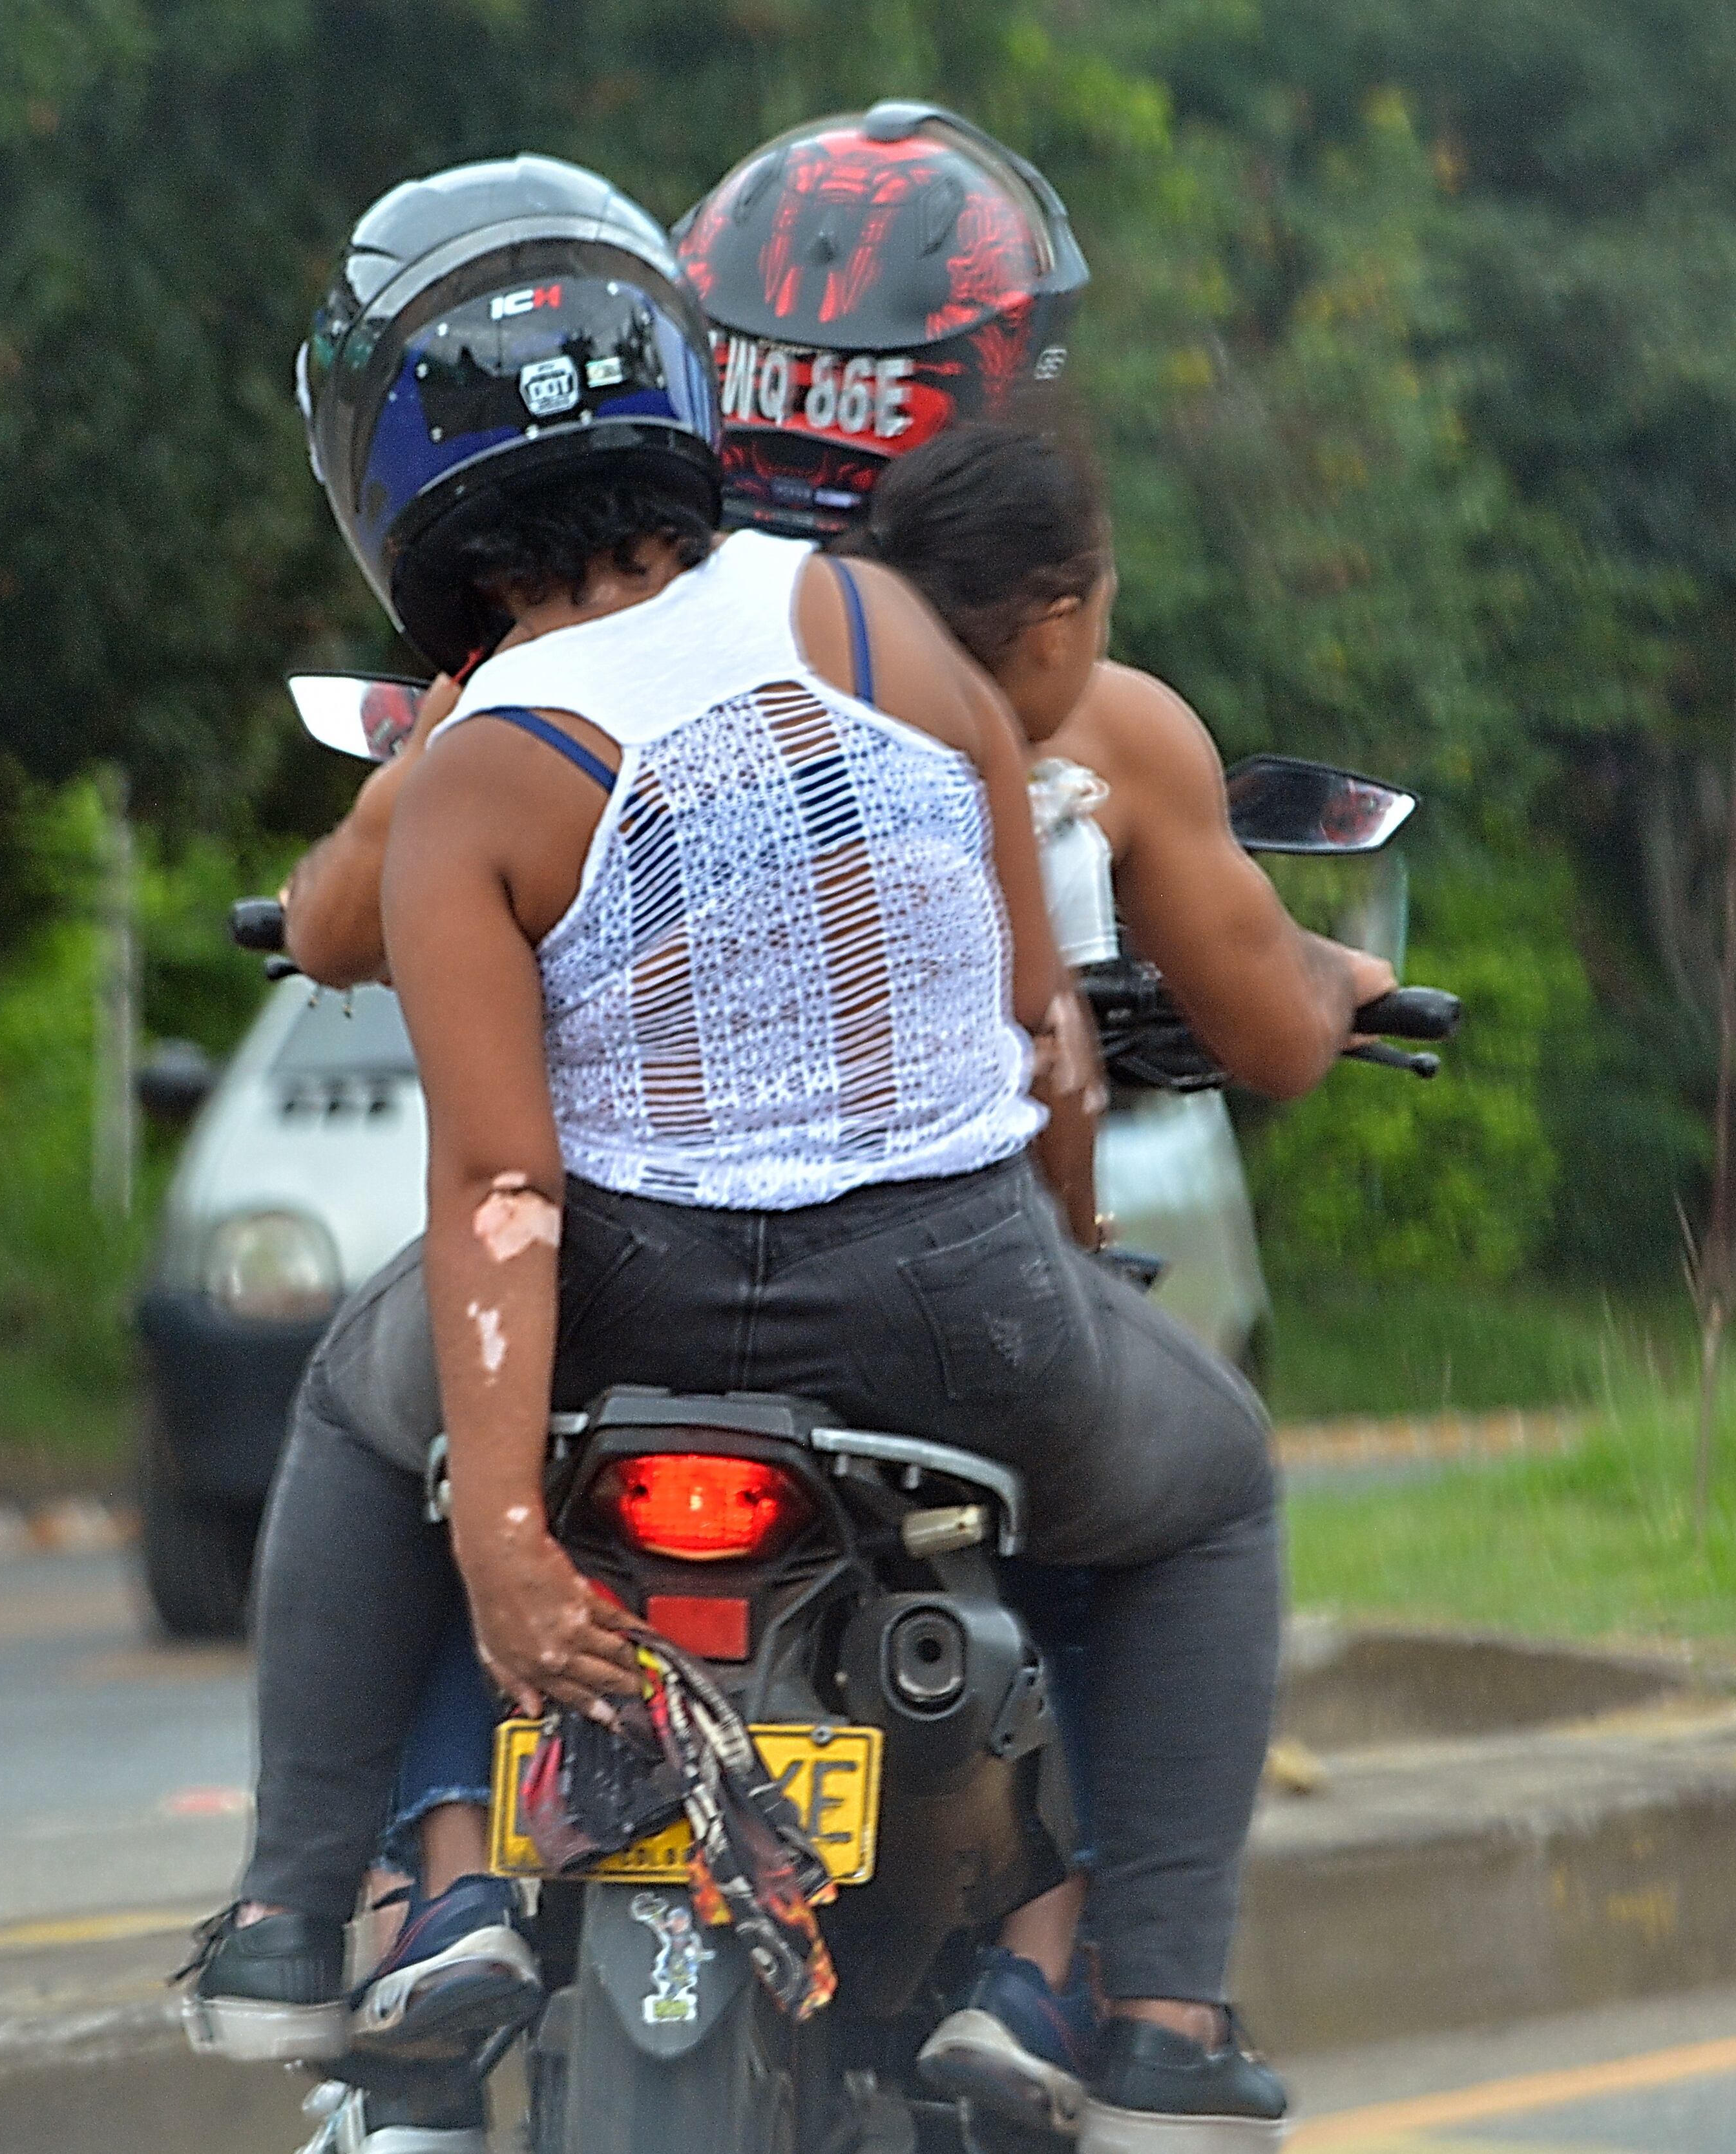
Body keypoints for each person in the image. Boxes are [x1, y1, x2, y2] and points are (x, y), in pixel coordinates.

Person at [191, 147, 1351, 2154]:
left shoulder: (471, 768)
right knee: (1211, 1485)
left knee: (354, 1415)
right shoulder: (890, 630)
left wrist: (503, 1538)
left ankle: (305, 1917)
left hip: (618, 1294)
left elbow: (499, 1189)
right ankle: (1157, 2008)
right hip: (952, 1295)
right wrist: (1054, 1284)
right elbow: (1040, 1037)